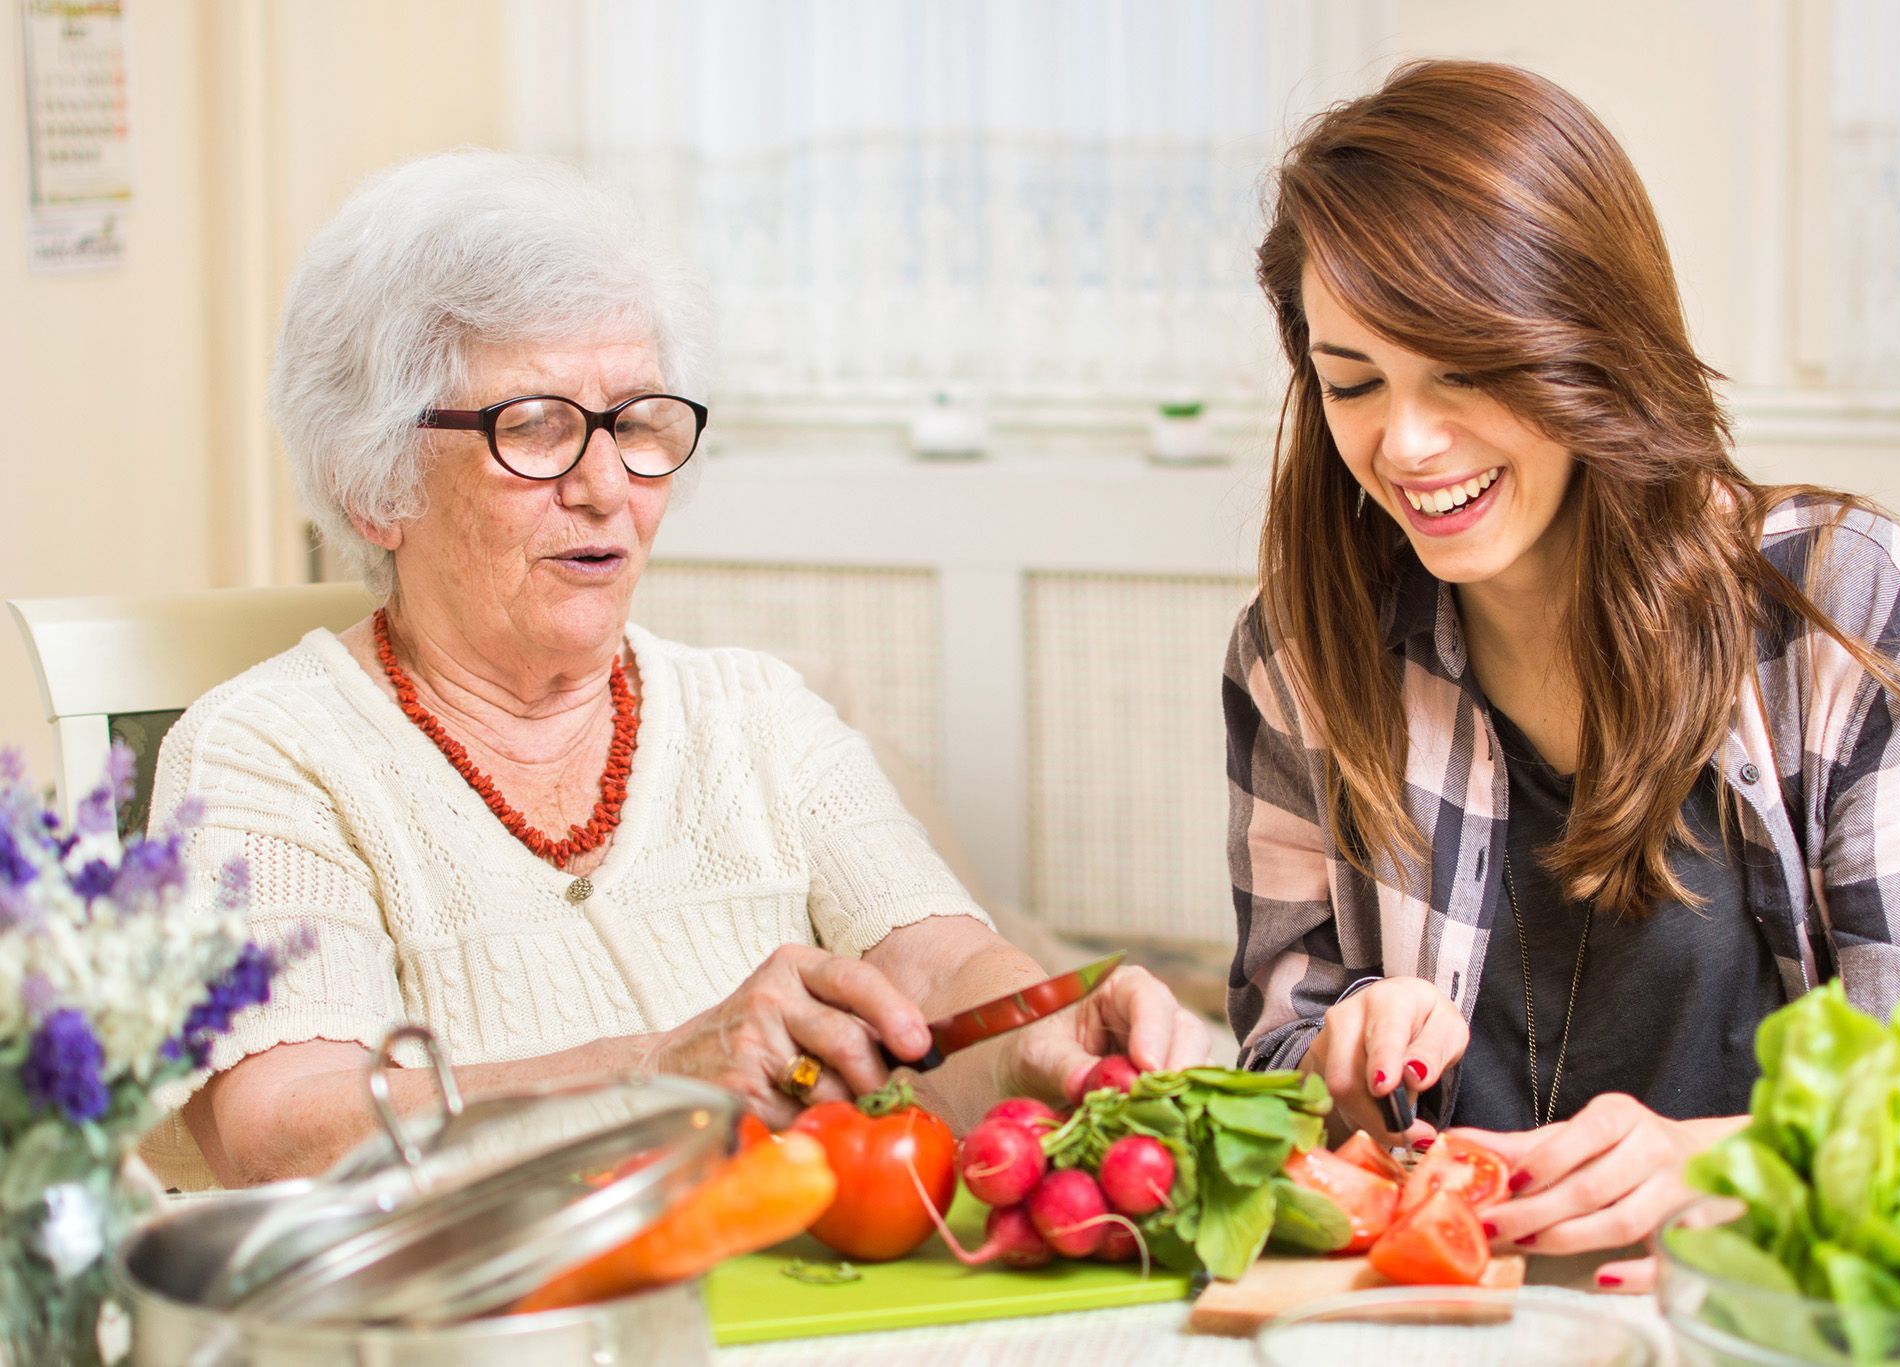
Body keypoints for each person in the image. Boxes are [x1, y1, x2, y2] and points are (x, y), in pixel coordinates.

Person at [146, 150, 1209, 1190]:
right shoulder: (268, 750)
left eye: (639, 421)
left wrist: (1040, 1025)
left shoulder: (758, 713)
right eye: (537, 426)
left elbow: (932, 959)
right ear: (373, 480)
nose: (608, 485)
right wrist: (651, 1074)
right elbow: (282, 1127)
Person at [1224, 61, 1900, 1288]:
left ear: (1582, 340)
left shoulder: (1846, 612)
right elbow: (1275, 1048)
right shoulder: (1302, 651)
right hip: (1441, 1305)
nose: (1406, 444)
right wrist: (1335, 1053)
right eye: (1352, 382)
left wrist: (1722, 1164)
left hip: (1751, 1306)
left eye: (1464, 368)